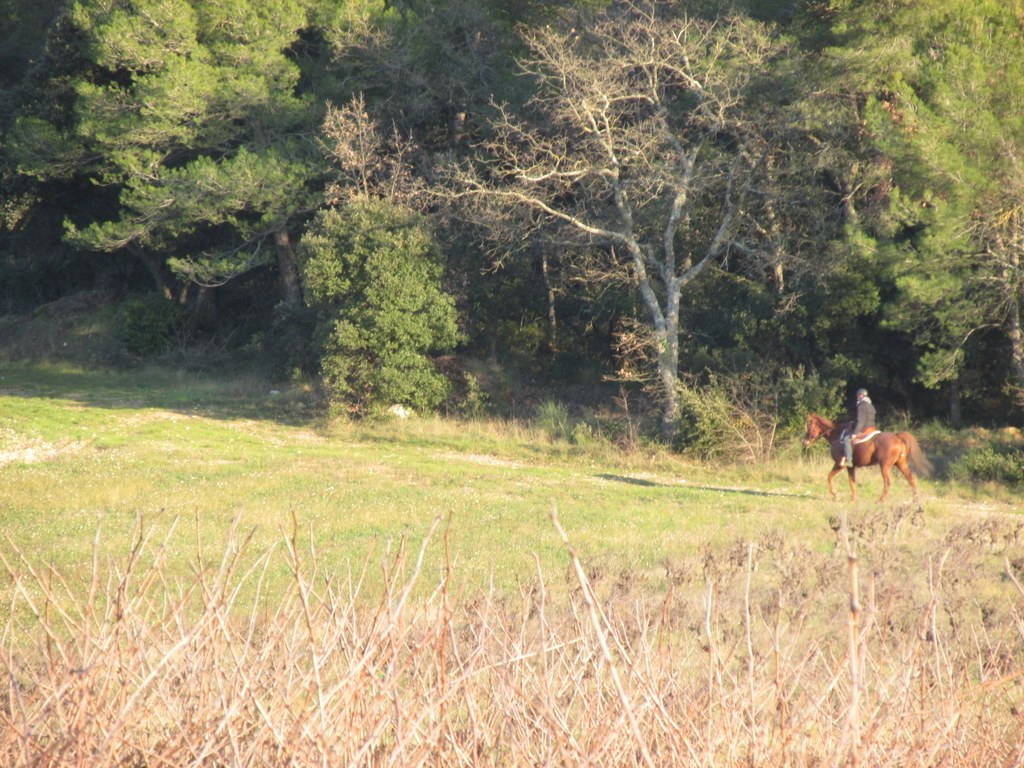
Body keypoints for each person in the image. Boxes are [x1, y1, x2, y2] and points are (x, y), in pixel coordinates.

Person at [841, 387, 876, 467]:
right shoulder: (870, 405)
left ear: (862, 396)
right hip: (872, 427)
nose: (857, 397)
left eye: (858, 395)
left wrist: (855, 433)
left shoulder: (862, 405)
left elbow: (861, 421)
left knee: (846, 440)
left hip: (864, 428)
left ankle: (849, 460)